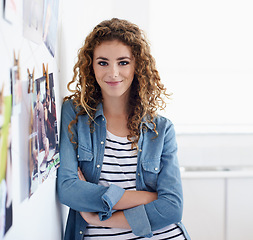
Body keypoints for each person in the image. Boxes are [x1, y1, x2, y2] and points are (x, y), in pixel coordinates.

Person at [57, 18, 190, 240]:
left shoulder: (161, 129)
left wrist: (98, 217)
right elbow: (69, 190)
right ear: (91, 64)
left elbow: (172, 209)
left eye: (123, 62)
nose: (113, 73)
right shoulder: (75, 114)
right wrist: (148, 197)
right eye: (103, 62)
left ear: (137, 65)